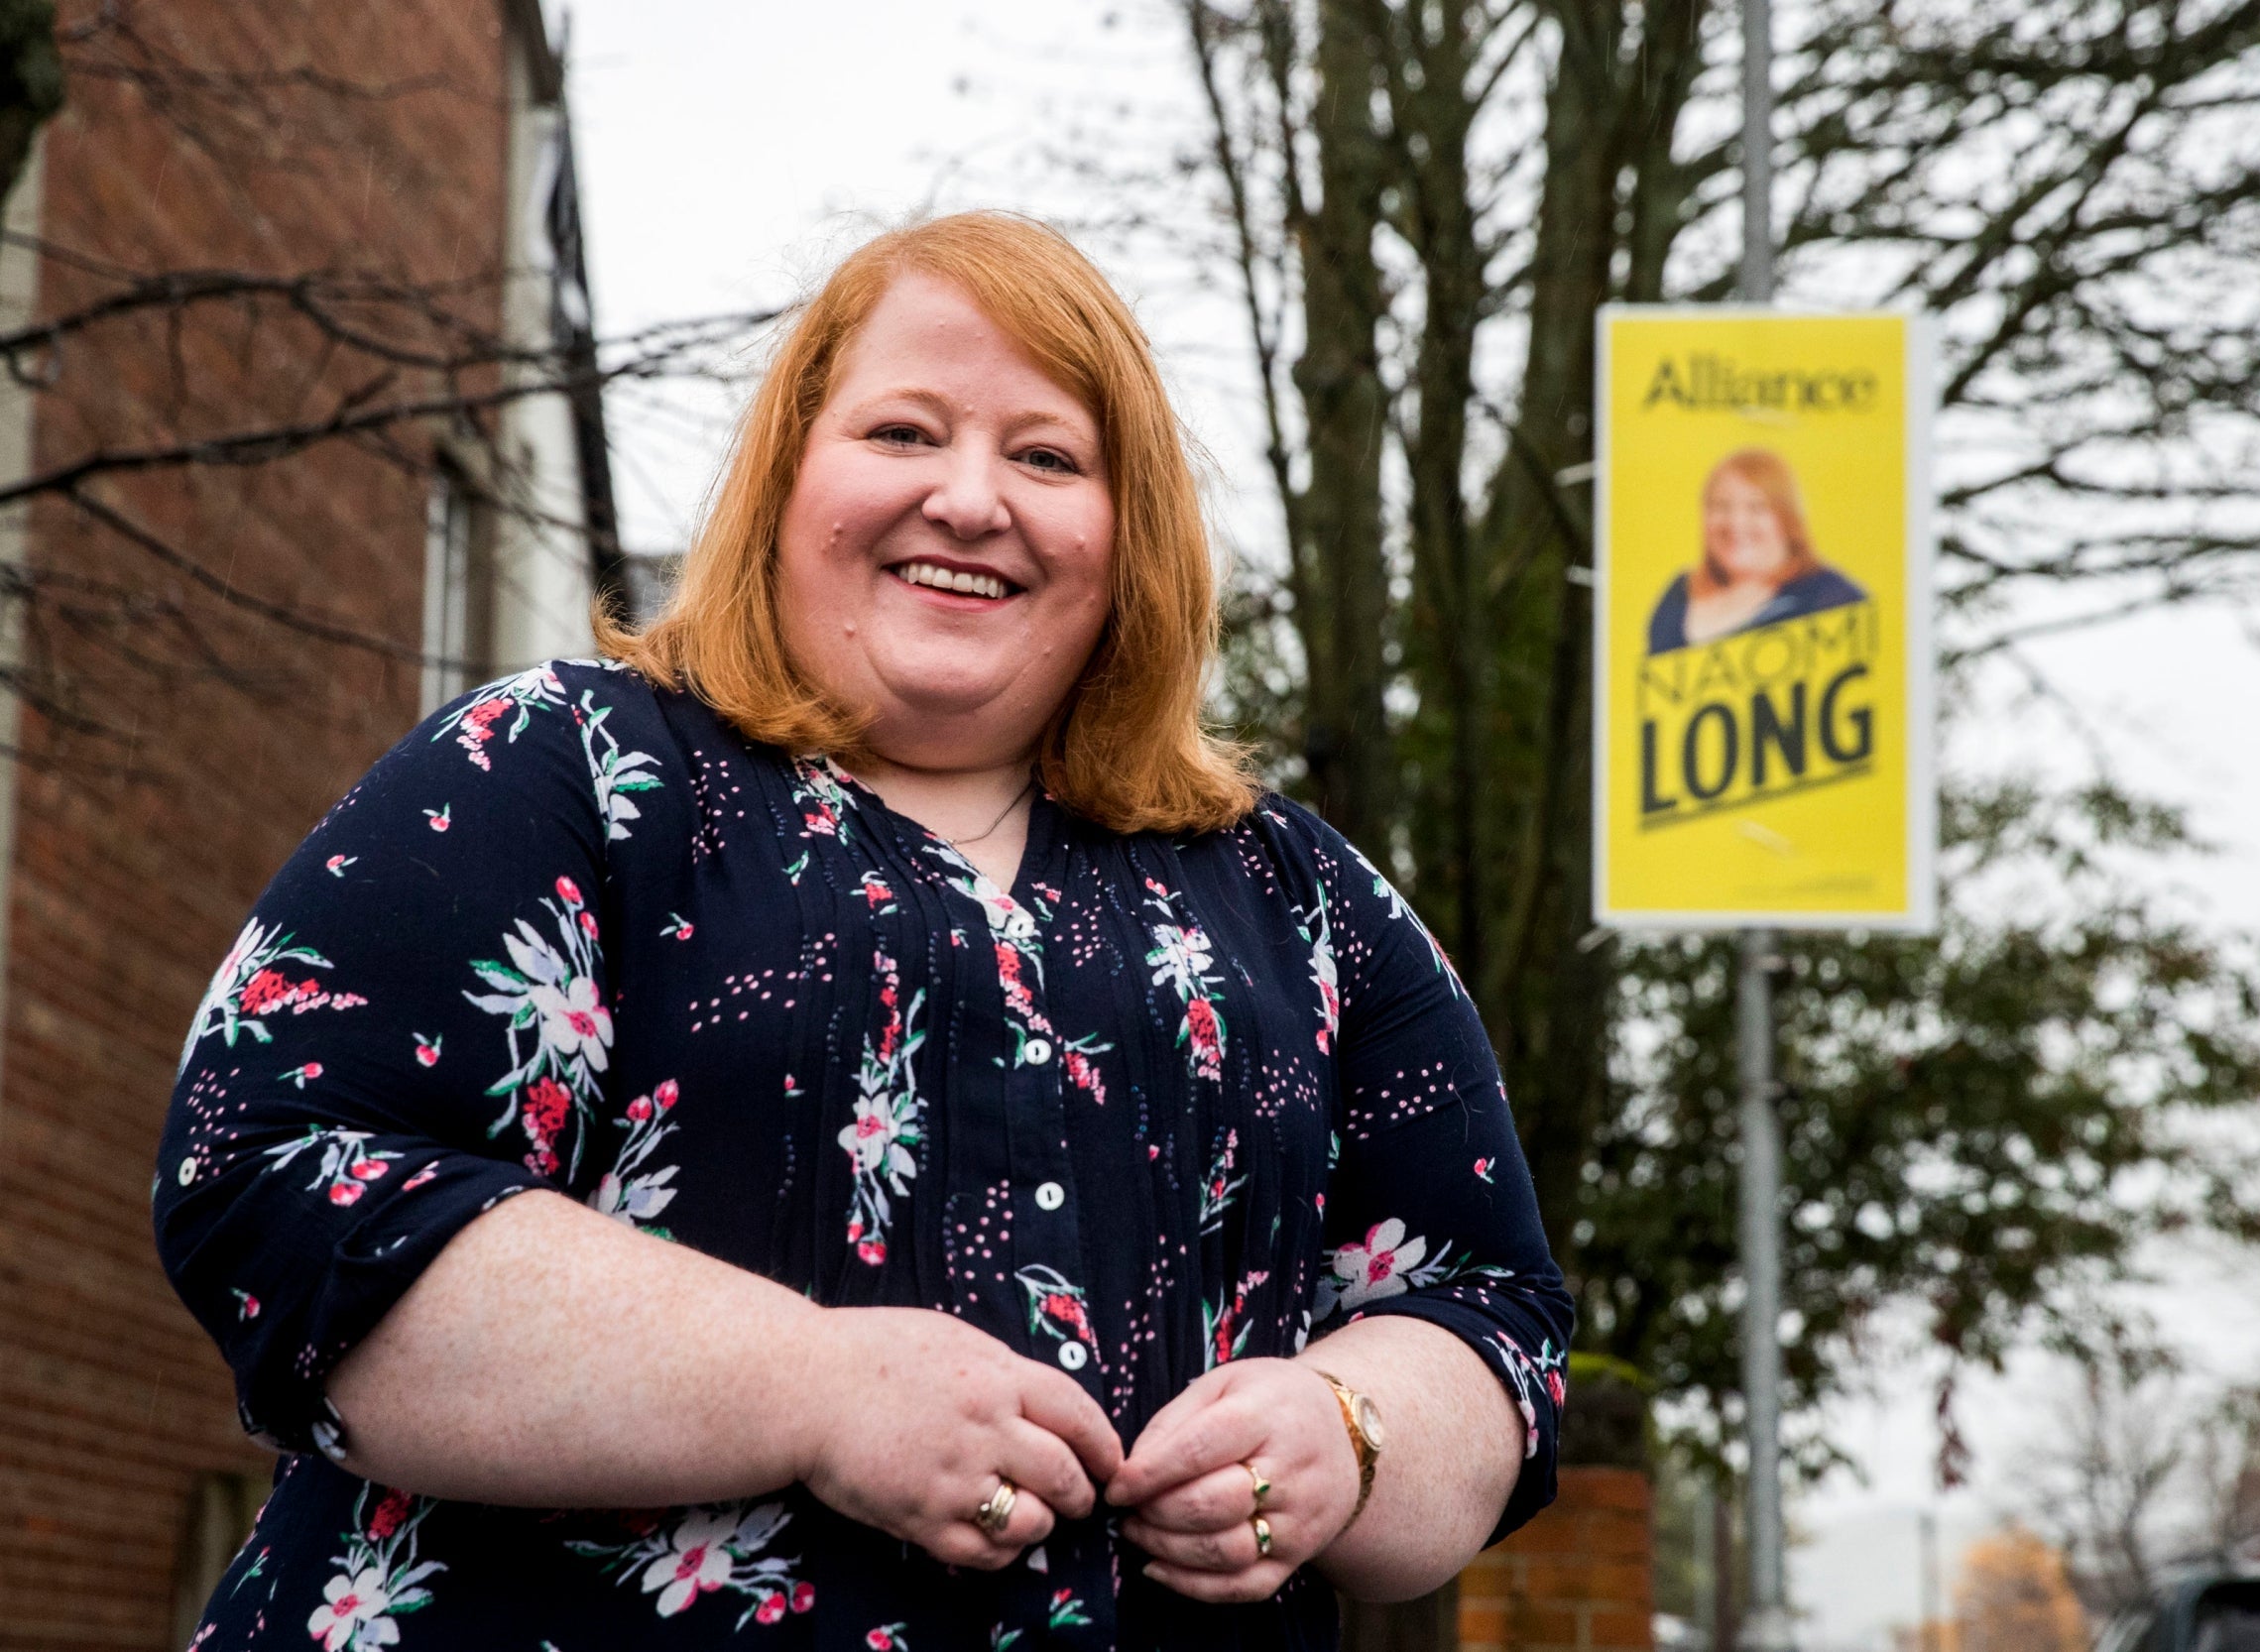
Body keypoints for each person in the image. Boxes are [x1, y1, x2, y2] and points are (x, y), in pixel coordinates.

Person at [156, 211, 1572, 1651]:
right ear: (788, 478)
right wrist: (815, 1384)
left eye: (1047, 456)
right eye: (903, 432)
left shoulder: (1302, 899)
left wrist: (1354, 1425)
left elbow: (1498, 1321)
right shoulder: (561, 772)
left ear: (1129, 536)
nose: (970, 499)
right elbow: (273, 1176)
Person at [1644, 447, 1865, 655]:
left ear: (1787, 518)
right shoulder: (1679, 594)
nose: (1736, 523)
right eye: (1721, 505)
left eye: (1757, 508)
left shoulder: (1830, 597)